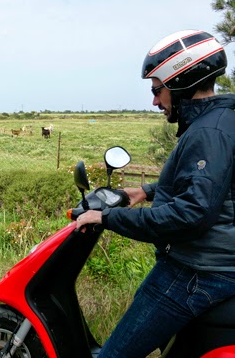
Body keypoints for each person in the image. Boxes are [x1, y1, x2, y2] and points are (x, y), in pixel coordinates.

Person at [76, 29, 235, 357]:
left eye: (157, 90)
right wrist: (147, 190)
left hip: (194, 272)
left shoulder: (208, 132)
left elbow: (192, 215)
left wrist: (106, 217)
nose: (154, 101)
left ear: (178, 82)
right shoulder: (223, 119)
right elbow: (216, 185)